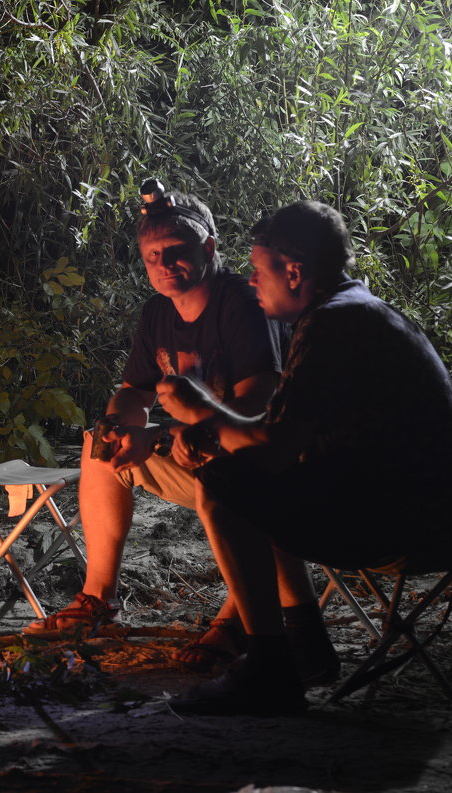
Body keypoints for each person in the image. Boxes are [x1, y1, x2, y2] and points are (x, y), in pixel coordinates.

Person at [157, 200, 452, 714]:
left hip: (418, 527)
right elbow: (285, 440)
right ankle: (304, 645)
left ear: (294, 272)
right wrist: (218, 430)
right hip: (441, 515)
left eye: (258, 270)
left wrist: (203, 411)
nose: (250, 282)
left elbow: (270, 449)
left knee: (229, 482)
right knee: (253, 475)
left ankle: (269, 669)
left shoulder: (335, 325)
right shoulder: (351, 311)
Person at [27, 180, 307, 678]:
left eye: (176, 251)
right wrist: (119, 425)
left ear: (209, 247)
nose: (164, 264)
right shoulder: (158, 312)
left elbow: (254, 406)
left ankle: (240, 619)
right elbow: (135, 391)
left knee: (233, 472)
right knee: (99, 445)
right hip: (194, 452)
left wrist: (156, 437)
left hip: (260, 463)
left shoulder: (242, 304)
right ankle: (97, 599)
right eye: (152, 255)